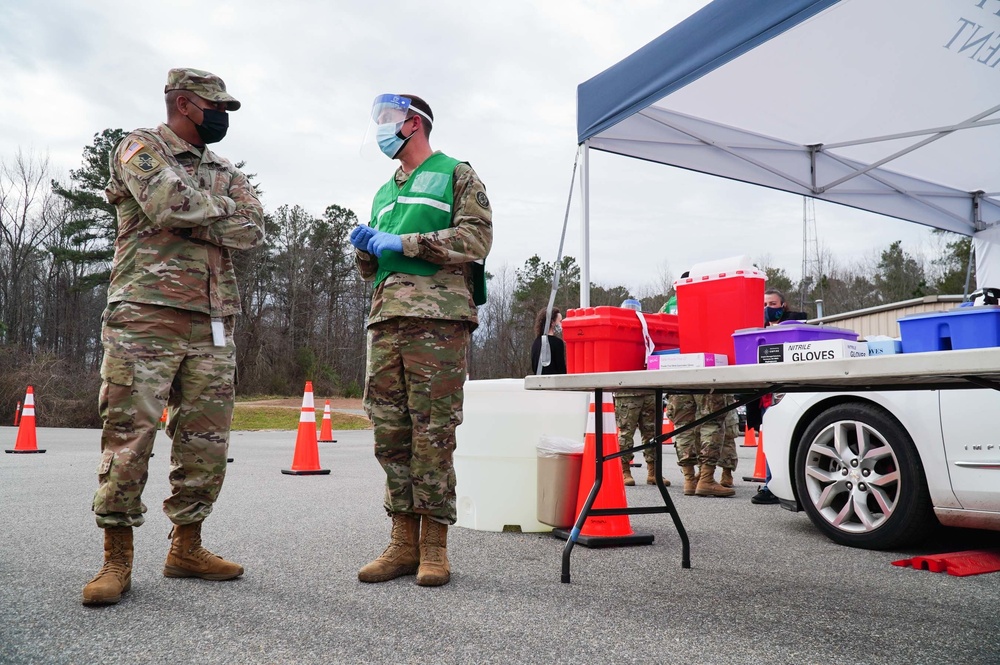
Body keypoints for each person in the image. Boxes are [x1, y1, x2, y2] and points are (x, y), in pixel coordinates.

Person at [82, 68, 264, 606]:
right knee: (130, 436)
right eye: (216, 108)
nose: (222, 118)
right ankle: (116, 558)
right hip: (145, 315)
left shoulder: (224, 169)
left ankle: (187, 547)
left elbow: (255, 229)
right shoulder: (138, 147)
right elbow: (166, 203)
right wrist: (205, 212)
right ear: (184, 103)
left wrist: (192, 212)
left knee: (205, 443)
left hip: (212, 319)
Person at [350, 94, 492, 587]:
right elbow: (375, 264)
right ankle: (402, 542)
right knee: (390, 434)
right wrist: (365, 248)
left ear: (413, 124)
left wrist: (405, 243)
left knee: (432, 432)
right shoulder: (384, 192)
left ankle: (434, 545)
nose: (381, 130)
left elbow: (476, 240)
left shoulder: (457, 173)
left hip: (438, 320)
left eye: (388, 121)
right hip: (386, 318)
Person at [750, 288, 807, 505]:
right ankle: (771, 484)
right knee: (771, 441)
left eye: (772, 304)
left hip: (787, 393)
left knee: (786, 439)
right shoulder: (757, 331)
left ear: (783, 305)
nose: (767, 308)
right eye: (764, 304)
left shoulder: (794, 325)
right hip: (765, 396)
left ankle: (778, 485)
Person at [530, 307, 566, 375]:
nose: (561, 324)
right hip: (554, 383)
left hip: (539, 383)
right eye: (560, 321)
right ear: (552, 322)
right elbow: (561, 369)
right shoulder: (557, 343)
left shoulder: (536, 342)